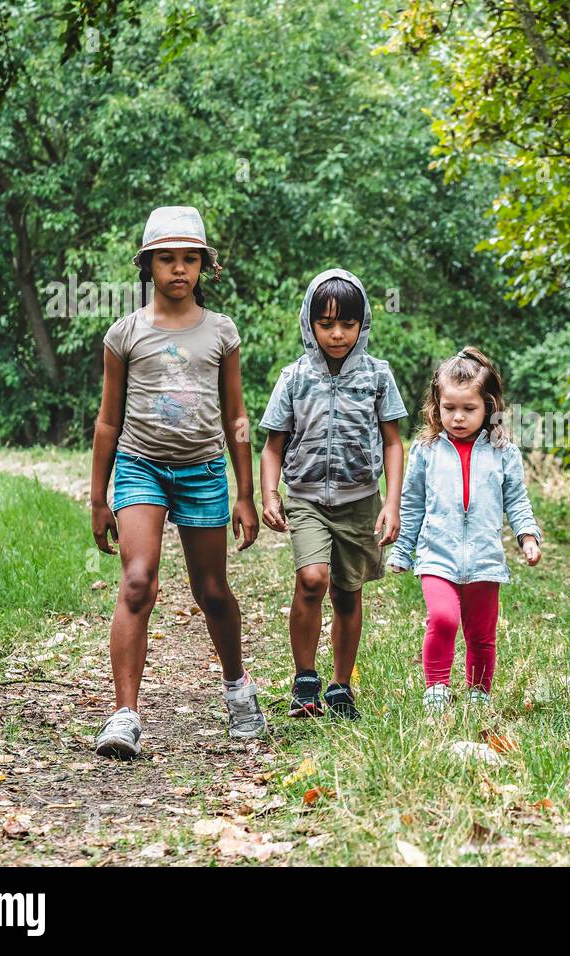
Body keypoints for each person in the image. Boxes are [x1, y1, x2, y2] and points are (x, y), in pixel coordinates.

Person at [91, 205, 263, 758]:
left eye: (190, 258)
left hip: (204, 471)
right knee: (138, 581)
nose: (179, 269)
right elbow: (108, 420)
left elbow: (235, 413)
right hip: (140, 467)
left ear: (204, 266)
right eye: (167, 259)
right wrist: (98, 498)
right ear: (148, 265)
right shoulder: (125, 333)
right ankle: (124, 716)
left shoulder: (221, 331)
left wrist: (245, 491)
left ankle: (237, 691)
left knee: (211, 591)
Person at [259, 269, 406, 720]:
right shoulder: (294, 378)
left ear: (363, 325)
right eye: (326, 324)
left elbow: (394, 442)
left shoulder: (378, 376)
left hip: (360, 500)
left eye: (348, 324)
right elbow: (272, 446)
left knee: (348, 591)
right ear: (309, 323)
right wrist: (269, 494)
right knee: (312, 580)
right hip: (305, 498)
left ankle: (341, 685)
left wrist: (393, 502)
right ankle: (306, 678)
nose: (337, 334)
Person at [388, 348, 542, 712]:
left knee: (481, 634)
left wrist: (528, 537)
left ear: (488, 406)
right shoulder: (426, 450)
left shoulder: (504, 452)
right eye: (448, 408)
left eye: (468, 409)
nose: (457, 418)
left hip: (485, 560)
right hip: (436, 556)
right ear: (436, 405)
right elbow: (411, 504)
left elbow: (517, 502)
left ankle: (478, 693)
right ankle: (437, 688)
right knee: (443, 618)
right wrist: (402, 549)